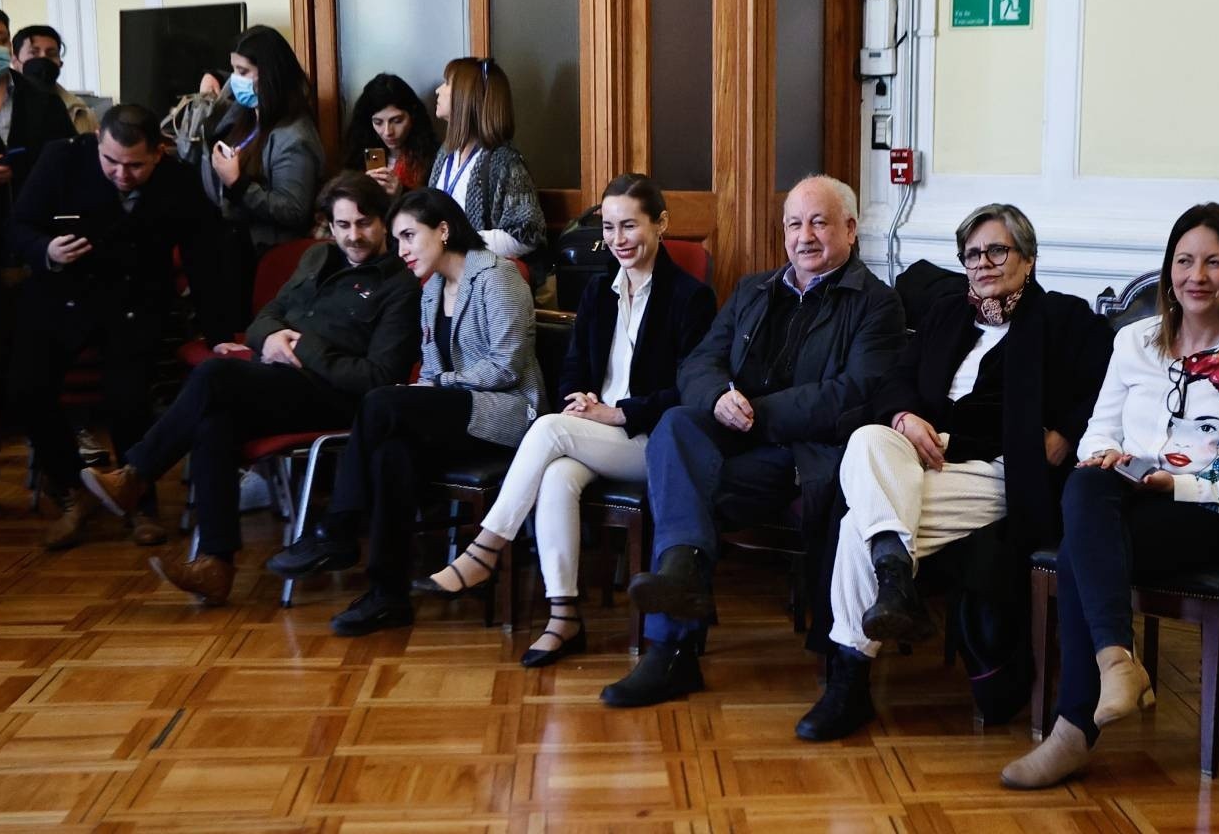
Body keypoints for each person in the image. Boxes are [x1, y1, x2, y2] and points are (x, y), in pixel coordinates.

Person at [999, 202, 1219, 788]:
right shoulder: (1134, 341)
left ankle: (1075, 727)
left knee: (1082, 549)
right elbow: (1098, 432)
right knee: (1088, 482)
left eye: (1213, 262)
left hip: (1217, 513)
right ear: (1168, 270)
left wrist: (1175, 484)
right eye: (1184, 261)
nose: (1197, 276)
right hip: (1128, 498)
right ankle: (1115, 662)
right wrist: (1108, 457)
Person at [794, 203, 1113, 741]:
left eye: (997, 251)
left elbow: (1107, 386)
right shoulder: (946, 315)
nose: (982, 263)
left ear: (1028, 258)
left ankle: (850, 681)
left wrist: (1067, 432)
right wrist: (903, 417)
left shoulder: (1064, 318)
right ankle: (893, 576)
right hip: (922, 456)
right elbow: (895, 380)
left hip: (998, 467)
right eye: (972, 254)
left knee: (858, 525)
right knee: (869, 437)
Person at [599, 174, 906, 708]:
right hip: (733, 440)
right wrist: (718, 396)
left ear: (851, 229)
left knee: (680, 489)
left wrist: (755, 415)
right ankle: (681, 579)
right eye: (794, 224)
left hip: (803, 457)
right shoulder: (754, 289)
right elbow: (698, 363)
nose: (804, 236)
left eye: (819, 223)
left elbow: (852, 396)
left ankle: (671, 647)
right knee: (676, 426)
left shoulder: (877, 304)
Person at [412, 173, 716, 666]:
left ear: (660, 224)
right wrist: (581, 398)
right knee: (556, 476)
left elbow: (691, 388)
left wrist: (619, 411)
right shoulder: (598, 291)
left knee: (549, 428)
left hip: (650, 440)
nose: (618, 239)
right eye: (610, 227)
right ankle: (564, 616)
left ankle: (485, 548)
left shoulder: (690, 297)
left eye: (630, 226)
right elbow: (574, 366)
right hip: (593, 433)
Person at [79, 172, 420, 606]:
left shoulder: (399, 284)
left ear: (384, 221)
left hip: (337, 399)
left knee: (214, 375)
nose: (353, 236)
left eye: (364, 223)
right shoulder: (316, 257)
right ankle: (215, 565)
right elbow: (263, 320)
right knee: (214, 421)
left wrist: (302, 346)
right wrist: (272, 337)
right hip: (279, 384)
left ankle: (137, 474)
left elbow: (378, 377)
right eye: (343, 225)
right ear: (329, 226)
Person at [263, 187, 544, 636]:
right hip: (457, 414)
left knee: (380, 401)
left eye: (409, 236)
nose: (402, 250)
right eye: (397, 240)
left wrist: (436, 386)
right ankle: (387, 595)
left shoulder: (497, 276)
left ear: (444, 230)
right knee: (391, 453)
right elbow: (430, 368)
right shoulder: (431, 290)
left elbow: (506, 366)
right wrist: (428, 387)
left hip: (507, 415)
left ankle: (338, 529)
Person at [7, 103, 218, 550]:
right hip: (62, 293)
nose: (121, 175)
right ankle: (73, 491)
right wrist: (46, 249)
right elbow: (19, 225)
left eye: (135, 166)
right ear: (98, 144)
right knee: (26, 389)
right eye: (111, 162)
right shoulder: (62, 158)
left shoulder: (177, 179)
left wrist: (220, 333)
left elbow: (206, 256)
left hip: (134, 300)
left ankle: (138, 500)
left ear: (158, 153)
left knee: (128, 397)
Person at [0, 1, 74, 516]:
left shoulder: (41, 99)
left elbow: (69, 165)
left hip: (37, 252)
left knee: (39, 371)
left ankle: (57, 473)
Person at [199, 24, 324, 340]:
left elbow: (294, 209)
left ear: (268, 75)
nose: (235, 79)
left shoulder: (294, 136)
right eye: (233, 70)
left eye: (243, 71)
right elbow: (206, 129)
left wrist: (238, 184)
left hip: (266, 261)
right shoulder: (245, 114)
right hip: (233, 251)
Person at [430, 57, 544, 261]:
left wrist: (459, 242)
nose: (438, 90)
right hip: (443, 270)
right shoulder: (445, 153)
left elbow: (527, 234)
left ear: (466, 95)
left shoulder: (504, 161)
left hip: (481, 274)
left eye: (447, 83)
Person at [343, 73, 437, 197]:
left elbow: (434, 203)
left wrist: (402, 192)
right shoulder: (358, 155)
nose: (388, 132)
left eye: (397, 121)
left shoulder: (433, 158)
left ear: (413, 116)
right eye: (378, 122)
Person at [10, 24, 95, 134]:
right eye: (34, 53)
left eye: (51, 54)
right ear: (15, 61)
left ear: (60, 63)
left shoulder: (80, 112)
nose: (43, 58)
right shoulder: (2, 109)